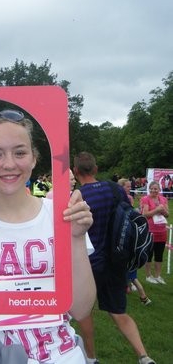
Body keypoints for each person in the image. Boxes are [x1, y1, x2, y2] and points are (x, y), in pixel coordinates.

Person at [0, 110, 96, 363]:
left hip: (63, 355)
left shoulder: (63, 216)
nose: (9, 164)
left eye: (20, 152)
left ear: (34, 158)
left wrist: (76, 237)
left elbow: (81, 308)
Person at [73, 152, 155, 364]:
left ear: (76, 172)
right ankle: (144, 356)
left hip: (89, 263)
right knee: (118, 311)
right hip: (117, 259)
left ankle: (91, 358)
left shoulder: (77, 195)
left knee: (84, 313)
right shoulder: (115, 189)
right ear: (96, 169)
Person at [118, 178, 151, 305]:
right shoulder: (124, 200)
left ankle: (143, 296)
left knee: (130, 272)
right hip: (130, 239)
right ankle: (126, 288)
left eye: (129, 186)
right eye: (127, 186)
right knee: (128, 270)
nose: (129, 188)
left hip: (129, 240)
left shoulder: (126, 200)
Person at [140, 181, 169, 285]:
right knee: (149, 254)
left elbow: (167, 214)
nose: (153, 190)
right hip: (150, 231)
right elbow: (145, 215)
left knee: (159, 255)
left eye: (155, 189)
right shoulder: (145, 199)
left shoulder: (163, 199)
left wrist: (163, 211)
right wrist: (157, 209)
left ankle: (157, 276)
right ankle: (148, 276)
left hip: (162, 230)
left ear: (159, 190)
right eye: (151, 188)